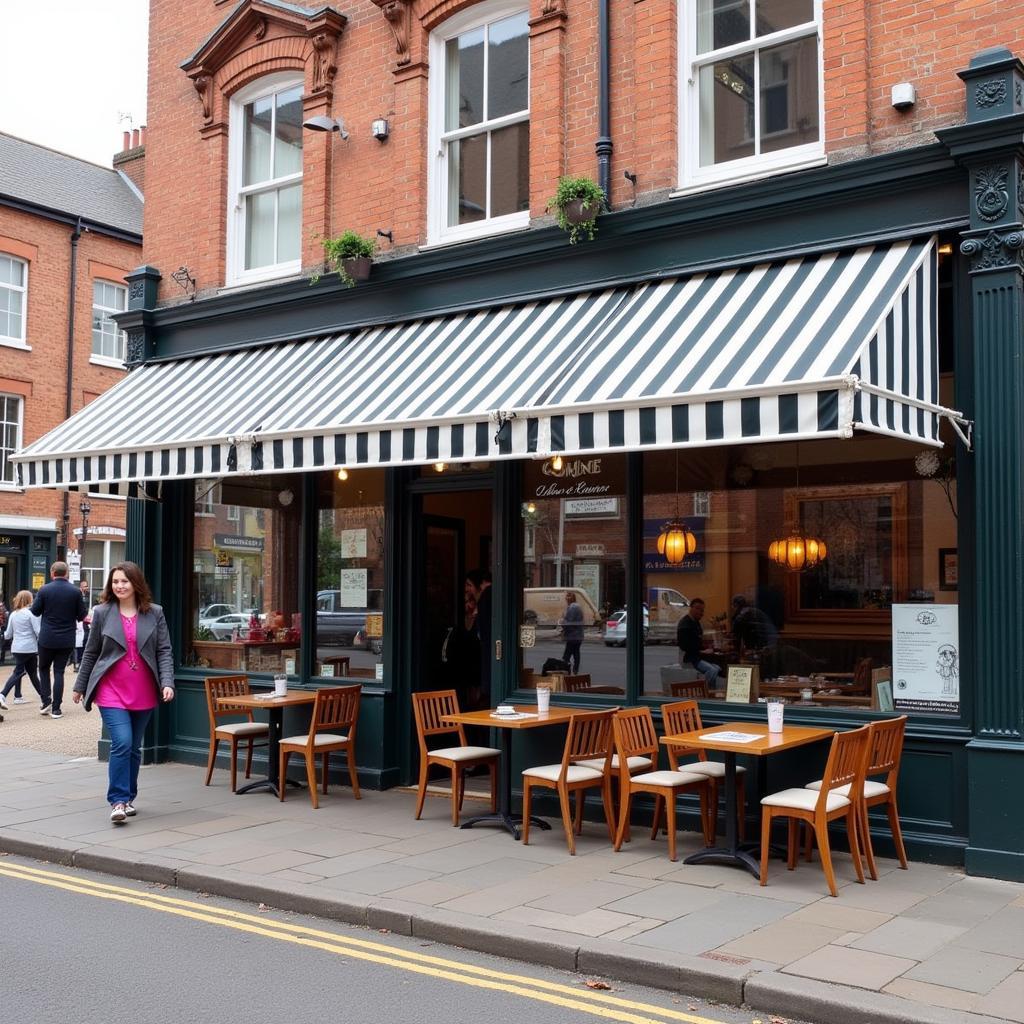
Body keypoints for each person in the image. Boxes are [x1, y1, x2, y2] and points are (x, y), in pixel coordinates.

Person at [73, 561, 175, 825]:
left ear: (135, 583)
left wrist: (167, 682)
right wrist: (80, 685)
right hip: (111, 690)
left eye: (124, 581)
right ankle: (117, 801)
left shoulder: (155, 613)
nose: (119, 586)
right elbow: (91, 651)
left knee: (133, 747)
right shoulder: (102, 612)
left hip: (143, 690)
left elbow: (164, 651)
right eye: (115, 582)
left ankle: (129, 797)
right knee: (122, 742)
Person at [31, 561, 87, 719]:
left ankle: (46, 701)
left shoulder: (44, 590)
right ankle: (56, 709)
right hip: (67, 639)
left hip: (47, 638)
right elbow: (82, 616)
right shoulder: (76, 592)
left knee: (43, 669)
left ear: (52, 573)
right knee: (59, 672)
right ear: (67, 573)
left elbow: (35, 612)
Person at [1, 591, 41, 707]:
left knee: (23, 671)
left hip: (16, 647)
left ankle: (18, 696)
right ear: (29, 600)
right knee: (25, 672)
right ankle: (2, 694)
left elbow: (8, 634)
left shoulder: (13, 614)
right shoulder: (31, 614)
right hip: (29, 648)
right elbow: (38, 631)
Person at [676, 597, 720, 689]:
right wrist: (701, 651)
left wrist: (706, 648)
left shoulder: (696, 622)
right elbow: (685, 646)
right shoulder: (685, 624)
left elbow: (699, 640)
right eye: (698, 608)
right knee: (712, 670)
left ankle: (711, 692)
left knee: (717, 668)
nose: (701, 612)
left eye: (702, 610)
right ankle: (705, 692)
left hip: (697, 656)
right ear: (691, 608)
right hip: (690, 658)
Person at [465, 569, 492, 706]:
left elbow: (481, 634)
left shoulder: (486, 598)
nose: (467, 589)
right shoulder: (478, 603)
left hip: (482, 661)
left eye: (469, 585)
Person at [560, 590, 585, 674]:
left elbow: (569, 621)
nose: (566, 599)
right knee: (575, 652)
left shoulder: (572, 607)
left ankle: (566, 670)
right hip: (578, 635)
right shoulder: (577, 606)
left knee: (566, 655)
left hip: (573, 635)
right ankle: (575, 669)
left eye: (567, 597)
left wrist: (562, 623)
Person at [76, 579, 92, 667]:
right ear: (81, 586)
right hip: (79, 620)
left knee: (85, 638)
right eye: (85, 586)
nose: (87, 588)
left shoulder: (88, 594)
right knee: (79, 640)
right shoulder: (78, 595)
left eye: (87, 586)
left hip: (86, 620)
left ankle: (81, 660)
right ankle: (77, 660)